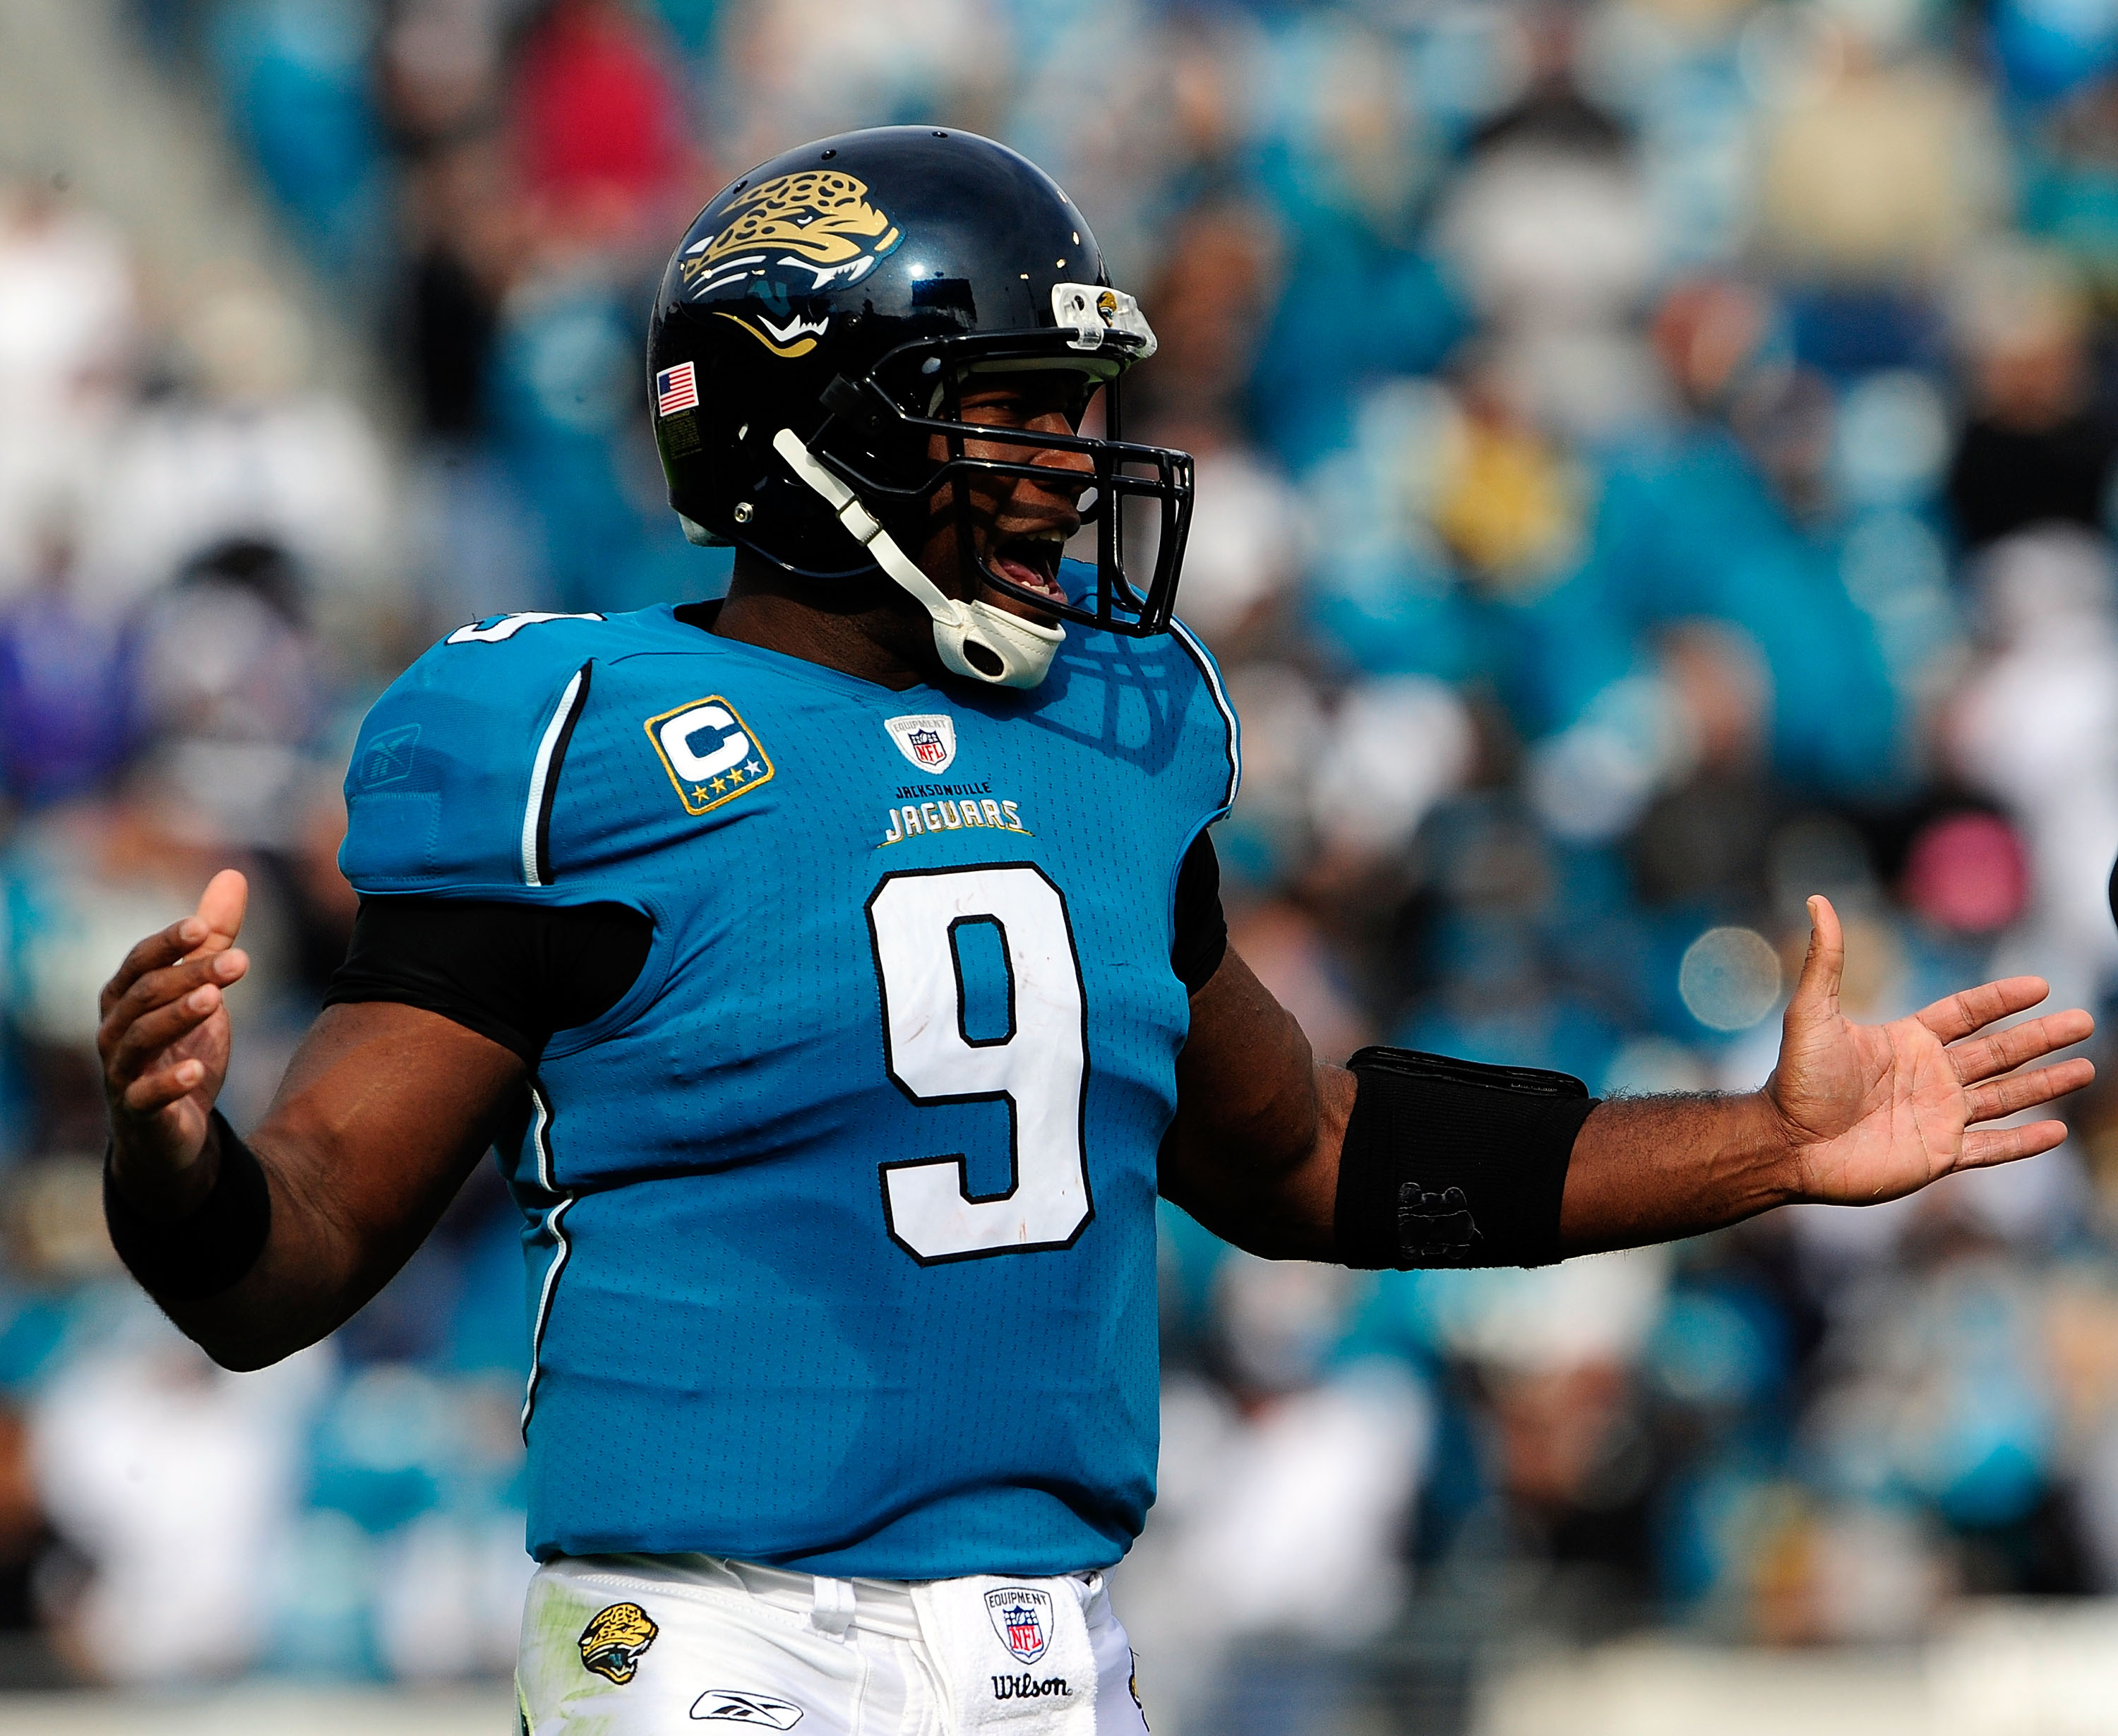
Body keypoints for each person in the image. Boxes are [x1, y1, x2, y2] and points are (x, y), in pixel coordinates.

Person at [95, 130, 2092, 1735]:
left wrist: (1772, 1140)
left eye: (1075, 410)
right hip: (714, 1651)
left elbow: (1307, 1155)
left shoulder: (1123, 730)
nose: (1069, 465)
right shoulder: (567, 738)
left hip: (1053, 1653)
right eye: (1012, 411)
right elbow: (283, 1266)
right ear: (814, 427)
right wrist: (173, 1149)